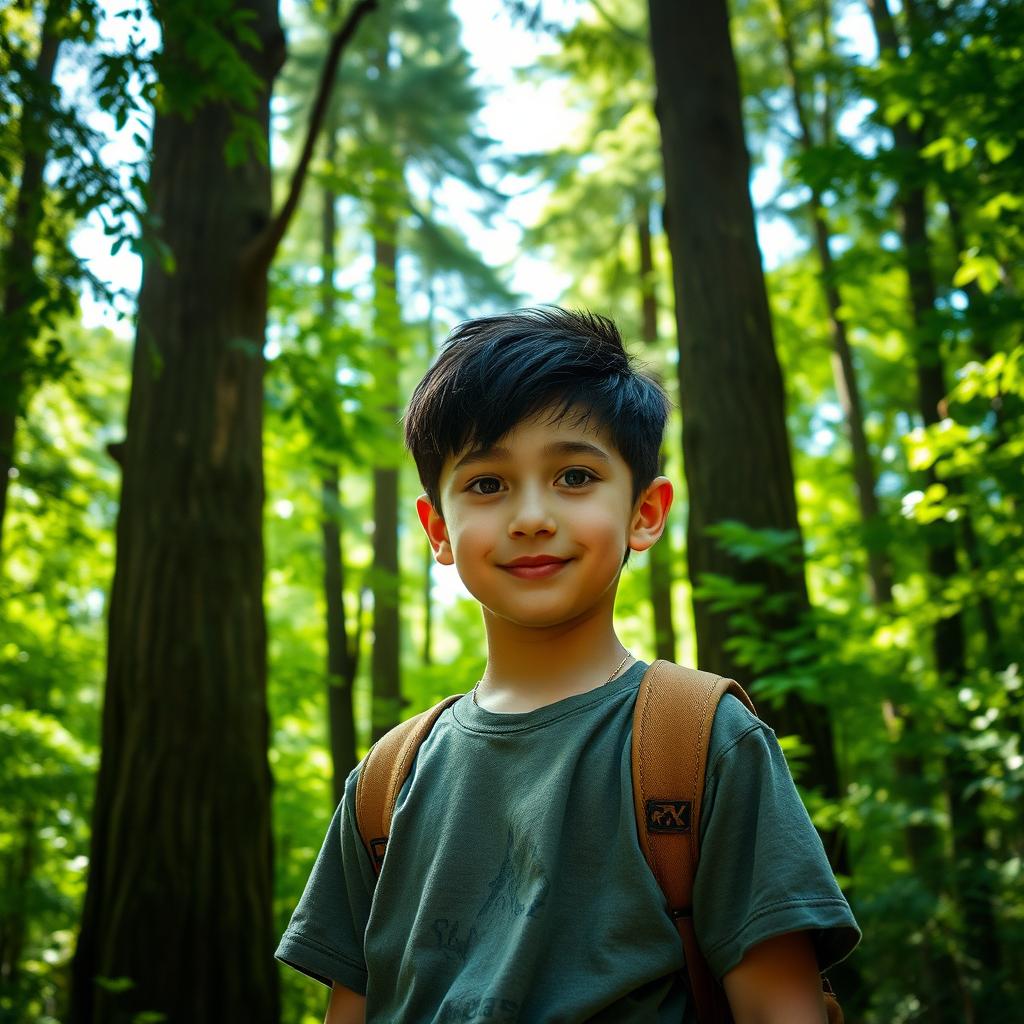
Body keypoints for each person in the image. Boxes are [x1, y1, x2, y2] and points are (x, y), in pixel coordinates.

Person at [276, 307, 860, 1023]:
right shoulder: (386, 780)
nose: (531, 516)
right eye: (487, 484)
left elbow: (781, 1008)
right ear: (438, 531)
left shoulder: (700, 740)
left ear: (645, 512)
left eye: (575, 475)